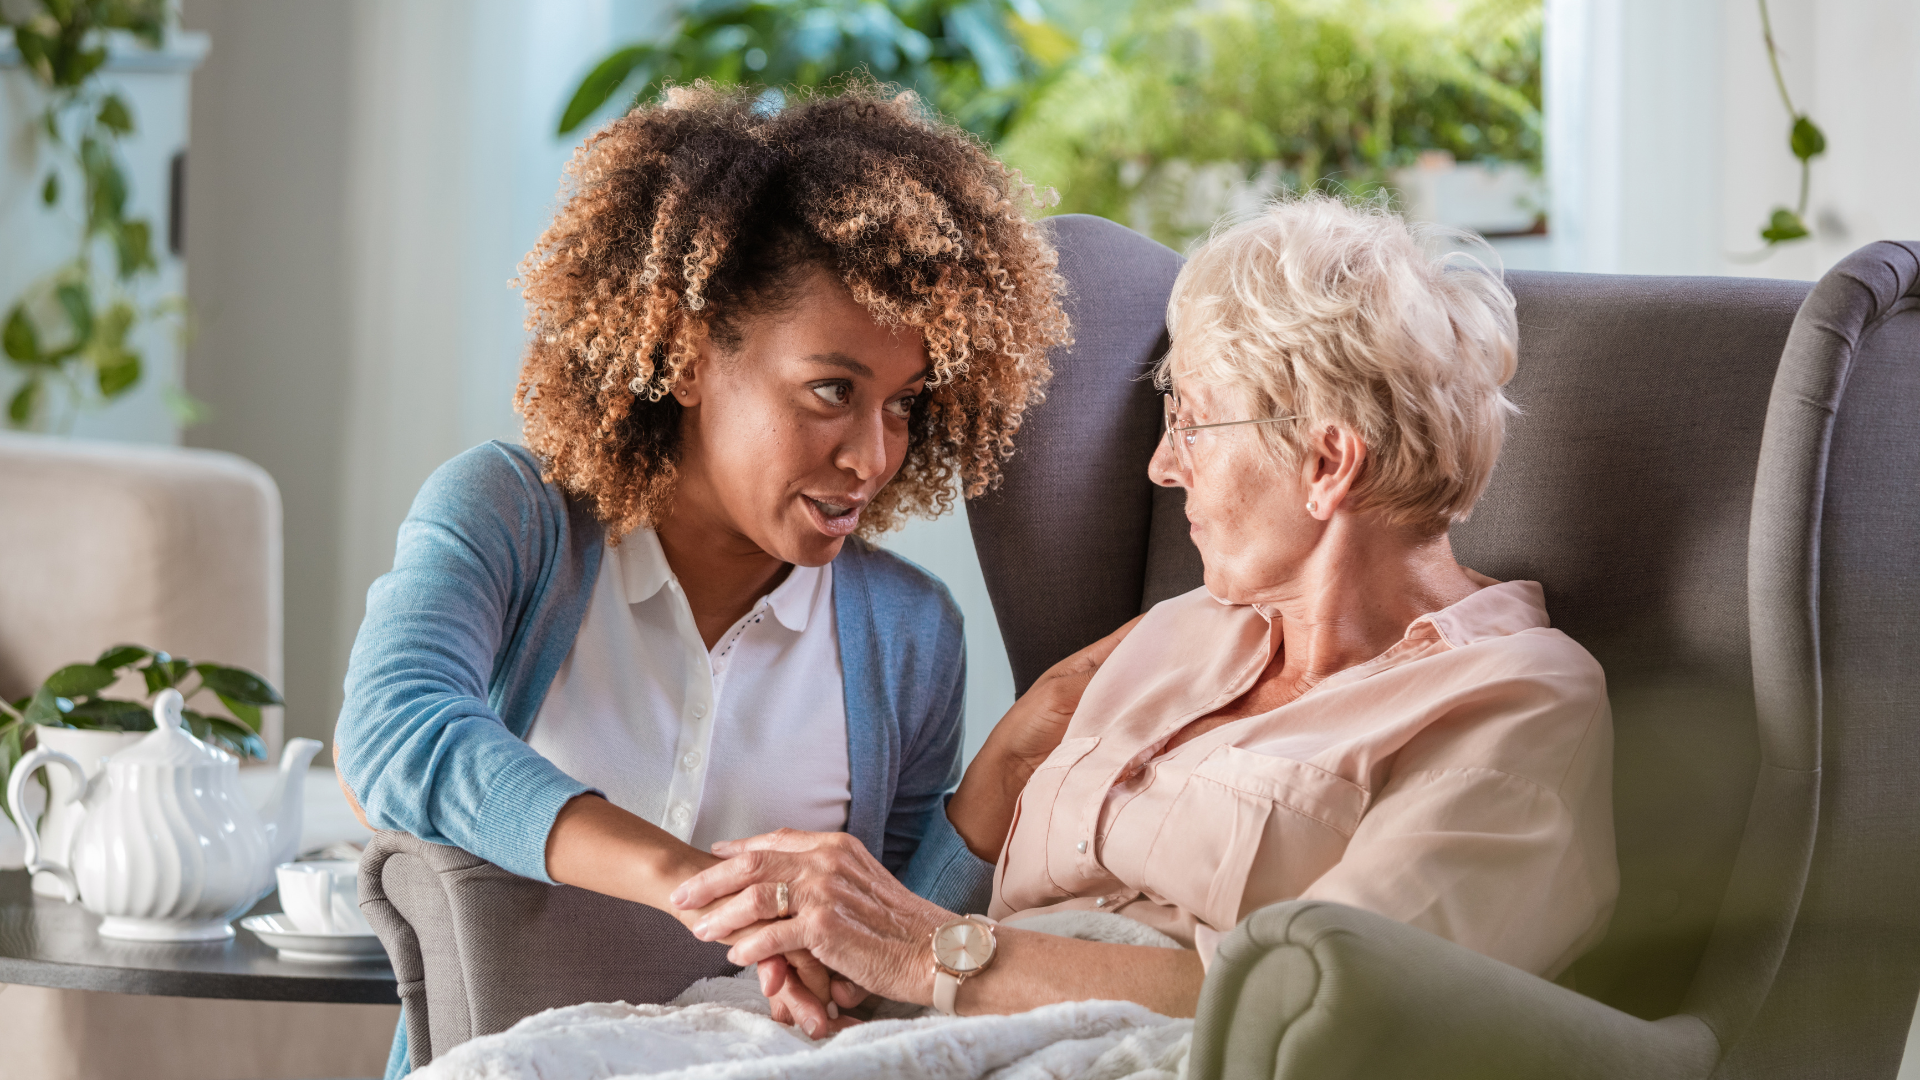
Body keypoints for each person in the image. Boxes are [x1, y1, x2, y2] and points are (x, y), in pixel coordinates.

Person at [671, 193, 1619, 1025]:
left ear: (1326, 464)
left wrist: (926, 955)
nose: (1164, 467)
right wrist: (857, 962)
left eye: (1192, 423)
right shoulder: (1178, 631)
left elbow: (1327, 1006)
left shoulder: (1516, 704)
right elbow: (968, 932)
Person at [331, 82, 1070, 1074]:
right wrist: (708, 885)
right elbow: (395, 735)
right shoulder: (507, 518)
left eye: (904, 405)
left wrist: (1010, 763)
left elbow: (883, 964)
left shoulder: (910, 631)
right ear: (685, 353)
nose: (872, 456)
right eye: (831, 391)